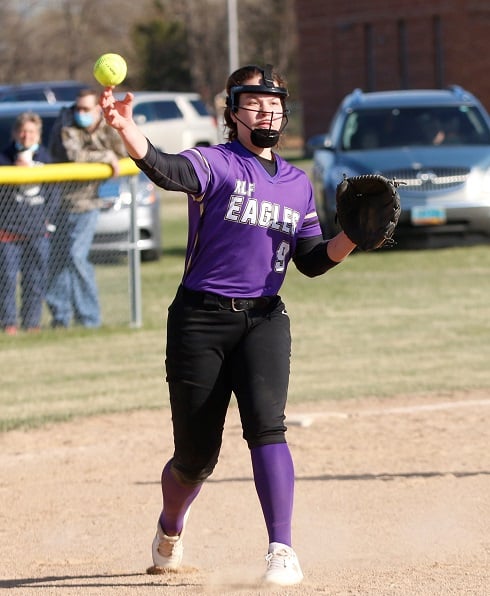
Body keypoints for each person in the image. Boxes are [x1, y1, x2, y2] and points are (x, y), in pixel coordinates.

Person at [99, 64, 356, 586]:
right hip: (199, 320)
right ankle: (170, 526)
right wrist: (127, 129)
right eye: (254, 103)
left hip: (264, 318)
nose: (266, 113)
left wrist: (352, 237)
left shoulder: (297, 183)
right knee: (195, 458)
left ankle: (281, 548)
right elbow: (166, 169)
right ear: (233, 112)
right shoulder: (216, 162)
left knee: (267, 427)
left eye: (274, 104)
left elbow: (310, 259)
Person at [45, 88, 126, 328]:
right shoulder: (66, 125)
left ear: (98, 110)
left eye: (85, 109)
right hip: (58, 202)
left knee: (76, 256)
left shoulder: (108, 127)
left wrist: (111, 154)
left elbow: (123, 152)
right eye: (77, 108)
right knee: (58, 260)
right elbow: (75, 154)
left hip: (88, 202)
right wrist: (106, 156)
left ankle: (89, 318)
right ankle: (61, 317)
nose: (80, 113)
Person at [0, 111, 60, 335]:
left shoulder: (46, 158)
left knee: (35, 278)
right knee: (7, 279)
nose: (27, 136)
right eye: (23, 131)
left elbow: (54, 193)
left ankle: (32, 322)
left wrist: (47, 220)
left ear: (38, 134)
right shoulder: (4, 157)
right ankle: (8, 322)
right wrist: (15, 172)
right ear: (15, 133)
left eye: (32, 131)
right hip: (8, 232)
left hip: (37, 231)